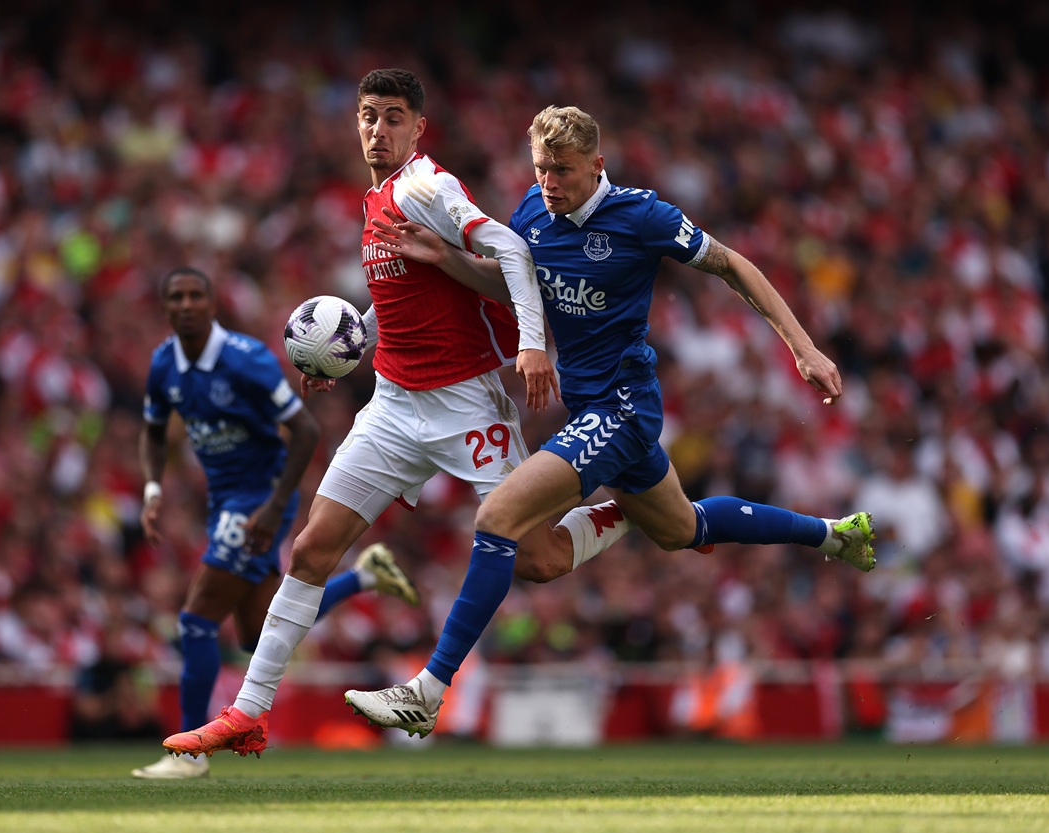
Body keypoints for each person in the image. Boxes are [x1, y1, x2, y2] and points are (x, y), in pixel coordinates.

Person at [343, 104, 876, 737]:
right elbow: (511, 286)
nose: (549, 183)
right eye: (541, 169)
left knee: (496, 520)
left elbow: (732, 264)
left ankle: (428, 691)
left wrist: (802, 347)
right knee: (682, 528)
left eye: (563, 171)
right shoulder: (532, 214)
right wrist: (443, 258)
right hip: (592, 408)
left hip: (623, 408)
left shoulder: (641, 215)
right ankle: (834, 534)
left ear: (597, 165)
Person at [161, 70, 639, 760]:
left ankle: (627, 508)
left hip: (465, 403)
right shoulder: (379, 197)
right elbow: (402, 297)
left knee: (535, 557)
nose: (376, 130)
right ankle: (248, 711)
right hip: (391, 404)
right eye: (367, 117)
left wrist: (532, 346)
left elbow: (512, 251)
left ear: (419, 128)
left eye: (392, 118)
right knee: (312, 548)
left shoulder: (427, 187)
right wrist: (343, 343)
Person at [130, 266, 420, 779]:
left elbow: (305, 430)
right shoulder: (163, 365)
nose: (188, 304)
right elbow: (154, 431)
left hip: (259, 497)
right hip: (225, 500)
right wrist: (153, 488)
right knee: (256, 634)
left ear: (213, 303)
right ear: (166, 307)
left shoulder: (246, 361)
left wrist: (273, 506)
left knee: (196, 621)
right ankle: (366, 576)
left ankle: (190, 754)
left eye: (198, 294)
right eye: (177, 296)